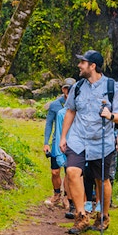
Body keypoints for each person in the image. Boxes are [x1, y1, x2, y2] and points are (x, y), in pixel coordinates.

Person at [59, 50, 118, 235]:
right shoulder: (78, 87)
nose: (79, 66)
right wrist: (63, 136)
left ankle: (103, 216)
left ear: (93, 66)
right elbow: (70, 111)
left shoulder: (112, 88)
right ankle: (81, 216)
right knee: (72, 171)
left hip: (102, 141)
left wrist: (111, 115)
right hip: (78, 138)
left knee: (102, 180)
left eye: (83, 63)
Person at [43, 77, 76, 207]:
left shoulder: (77, 105)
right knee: (55, 171)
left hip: (72, 143)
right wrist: (46, 142)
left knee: (69, 171)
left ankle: (67, 197)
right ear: (63, 90)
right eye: (67, 89)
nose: (69, 92)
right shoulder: (55, 105)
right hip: (57, 143)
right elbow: (49, 124)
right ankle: (56, 194)